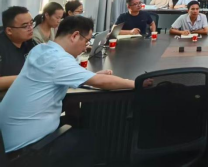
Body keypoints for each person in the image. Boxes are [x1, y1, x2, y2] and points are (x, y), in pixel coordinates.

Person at [0, 16, 147, 155]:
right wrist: (137, 83)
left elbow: (55, 75)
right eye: (86, 41)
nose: (85, 47)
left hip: (8, 140)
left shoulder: (40, 50)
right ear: (75, 35)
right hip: (28, 148)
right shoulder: (58, 59)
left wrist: (88, 76)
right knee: (100, 139)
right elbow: (101, 82)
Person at [0, 7, 36, 91]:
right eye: (25, 26)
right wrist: (26, 77)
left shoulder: (30, 42)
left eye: (31, 23)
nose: (31, 28)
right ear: (9, 30)